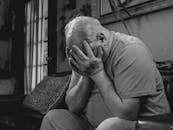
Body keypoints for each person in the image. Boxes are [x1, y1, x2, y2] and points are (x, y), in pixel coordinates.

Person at [40, 16, 170, 130]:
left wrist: (97, 73)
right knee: (52, 118)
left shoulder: (131, 51)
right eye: (77, 56)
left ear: (101, 38)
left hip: (143, 125)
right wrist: (86, 75)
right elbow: (73, 107)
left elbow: (127, 114)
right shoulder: (82, 57)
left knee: (110, 126)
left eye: (85, 53)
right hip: (92, 124)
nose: (82, 60)